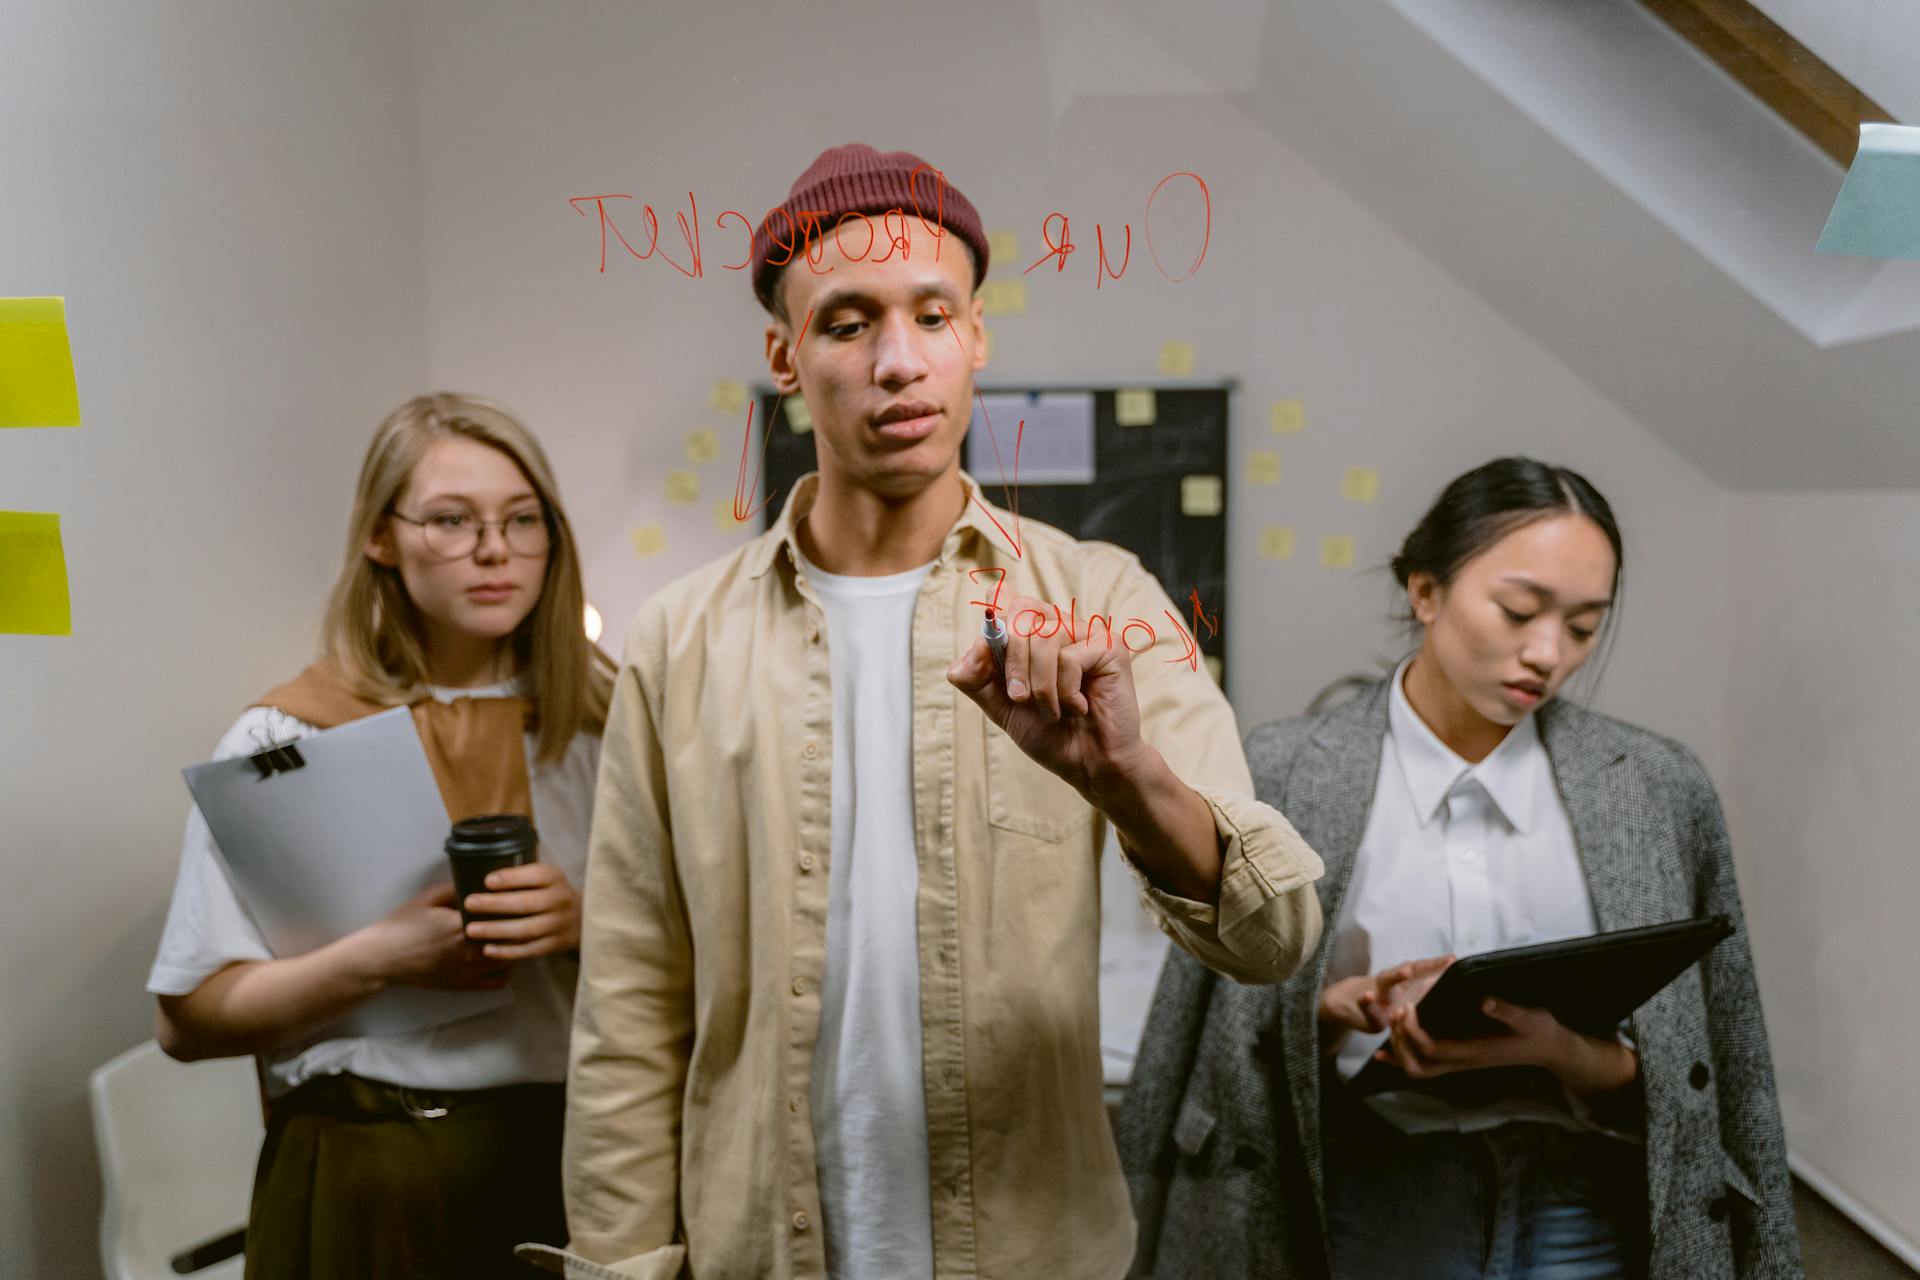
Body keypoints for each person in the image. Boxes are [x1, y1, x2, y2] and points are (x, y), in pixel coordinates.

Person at [536, 143, 1325, 1280]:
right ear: (787, 353)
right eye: (849, 321)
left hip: (1026, 1250)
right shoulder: (679, 639)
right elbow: (628, 1009)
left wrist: (1128, 779)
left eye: (933, 314)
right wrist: (616, 1266)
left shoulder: (1100, 600)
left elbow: (1273, 935)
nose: (899, 361)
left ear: (977, 339)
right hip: (761, 1251)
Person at [1118, 457, 1803, 1279]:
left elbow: (1721, 1062)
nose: (1547, 653)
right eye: (1518, 611)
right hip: (1365, 1183)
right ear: (1426, 591)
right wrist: (1334, 1013)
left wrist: (1561, 1052)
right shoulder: (1286, 768)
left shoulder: (1657, 787)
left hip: (1589, 1188)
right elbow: (1208, 1037)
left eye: (1584, 627)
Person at [148, 393, 614, 1279]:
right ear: (380, 537)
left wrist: (585, 925)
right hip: (369, 1161)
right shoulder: (289, 742)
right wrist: (382, 957)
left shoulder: (606, 728)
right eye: (451, 520)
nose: (494, 550)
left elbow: (715, 970)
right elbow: (188, 1018)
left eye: (523, 520)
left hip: (575, 1160)